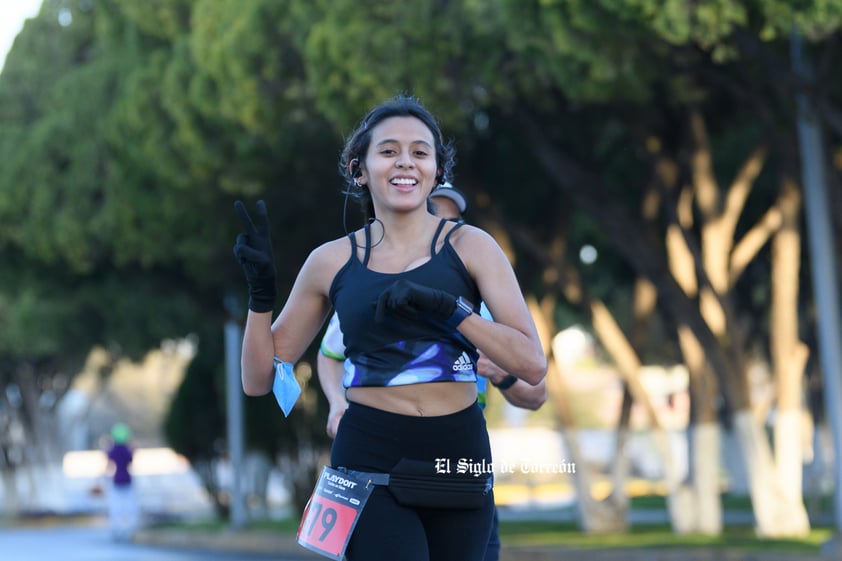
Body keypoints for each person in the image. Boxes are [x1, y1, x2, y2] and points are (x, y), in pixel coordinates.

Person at [234, 94, 546, 561]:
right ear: (360, 169)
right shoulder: (330, 261)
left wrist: (452, 310)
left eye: (420, 152)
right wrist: (260, 299)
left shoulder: (473, 246)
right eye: (389, 151)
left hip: (457, 460)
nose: (406, 162)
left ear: (437, 170)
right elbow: (258, 381)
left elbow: (532, 364)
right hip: (369, 463)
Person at [316, 183, 547, 561]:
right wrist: (335, 404)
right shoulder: (362, 288)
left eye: (448, 218)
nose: (437, 226)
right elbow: (328, 355)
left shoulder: (486, 301)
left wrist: (496, 368)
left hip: (459, 453)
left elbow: (536, 390)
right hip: (378, 452)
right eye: (430, 214)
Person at [106, 422, 139, 541]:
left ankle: (117, 529)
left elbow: (108, 465)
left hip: (116, 481)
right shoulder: (126, 450)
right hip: (127, 480)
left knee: (116, 507)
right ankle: (131, 529)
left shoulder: (112, 450)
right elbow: (131, 461)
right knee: (130, 506)